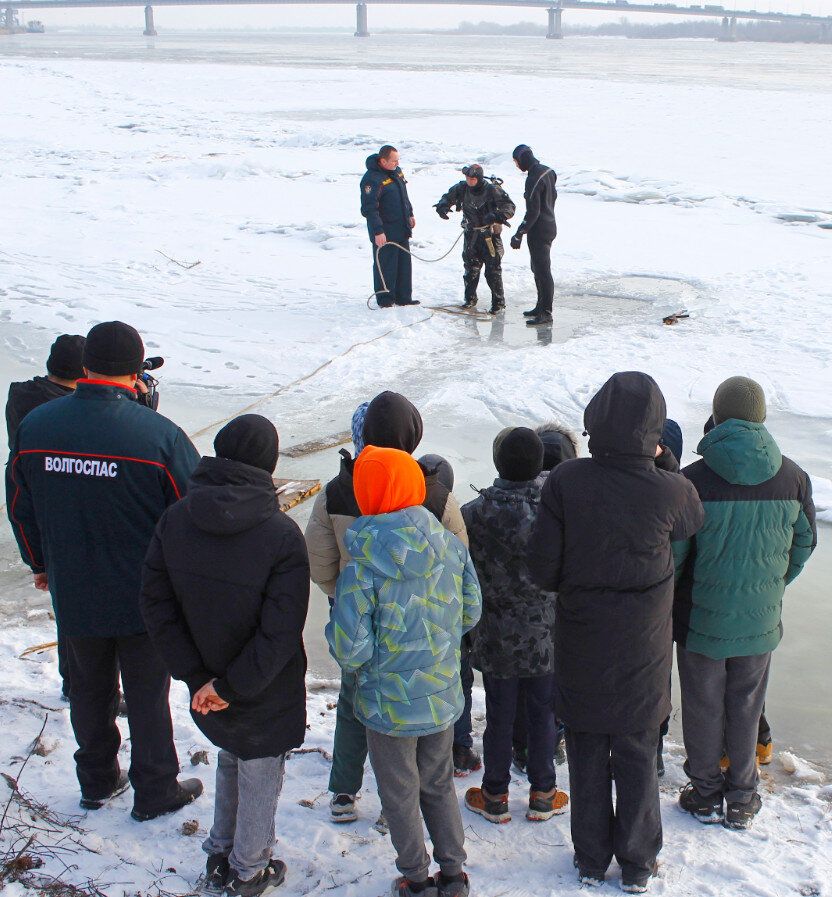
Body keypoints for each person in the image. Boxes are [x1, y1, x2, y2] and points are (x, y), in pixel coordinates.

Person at [5, 321, 203, 820]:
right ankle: (155, 787)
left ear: (85, 367)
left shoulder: (37, 426)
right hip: (143, 593)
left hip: (73, 586)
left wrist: (41, 563)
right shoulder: (160, 436)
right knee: (146, 695)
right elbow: (191, 515)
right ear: (137, 371)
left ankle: (95, 780)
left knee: (89, 689)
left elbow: (19, 504)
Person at [529, 372, 704, 893]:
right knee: (635, 753)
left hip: (582, 641)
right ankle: (636, 863)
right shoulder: (671, 489)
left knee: (585, 751)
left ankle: (589, 859)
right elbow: (692, 520)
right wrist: (663, 461)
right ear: (653, 430)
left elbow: (541, 571)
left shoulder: (566, 481)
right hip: (644, 649)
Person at [140, 414, 310, 897]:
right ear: (269, 463)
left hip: (207, 683)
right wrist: (227, 686)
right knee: (258, 766)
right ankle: (249, 868)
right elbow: (279, 633)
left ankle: (220, 851)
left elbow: (155, 603)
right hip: (261, 686)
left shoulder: (176, 517)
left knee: (232, 755)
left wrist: (197, 677)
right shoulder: (280, 534)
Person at [305, 392, 472, 824]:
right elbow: (461, 561)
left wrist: (344, 598)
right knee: (413, 714)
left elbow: (319, 560)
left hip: (354, 620)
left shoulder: (337, 493)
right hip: (421, 627)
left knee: (352, 704)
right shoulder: (435, 493)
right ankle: (399, 806)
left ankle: (344, 792)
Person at [326, 446, 482, 897]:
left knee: (399, 793)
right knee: (437, 783)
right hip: (441, 693)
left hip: (388, 703)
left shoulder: (364, 561)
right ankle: (453, 875)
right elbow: (471, 609)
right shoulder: (449, 544)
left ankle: (416, 879)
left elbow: (351, 649)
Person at [673, 377, 816, 831]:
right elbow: (804, 544)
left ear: (718, 416)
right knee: (747, 704)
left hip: (700, 620)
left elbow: (673, 558)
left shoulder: (691, 480)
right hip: (759, 620)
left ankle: (705, 792)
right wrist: (772, 584)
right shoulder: (793, 477)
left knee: (702, 703)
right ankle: (742, 796)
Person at [462, 427, 568, 825]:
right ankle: (543, 793)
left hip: (493, 636)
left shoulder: (473, 513)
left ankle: (494, 794)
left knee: (499, 714)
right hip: (545, 636)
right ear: (539, 465)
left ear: (497, 462)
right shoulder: (555, 512)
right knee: (543, 714)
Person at [5, 333, 86, 701]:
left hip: (43, 522)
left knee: (68, 610)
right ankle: (85, 687)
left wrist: (34, 558)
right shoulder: (67, 413)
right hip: (75, 520)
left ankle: (75, 684)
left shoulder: (22, 397)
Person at [513, 421, 580, 773]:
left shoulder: (514, 496)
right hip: (566, 613)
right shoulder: (579, 500)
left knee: (523, 685)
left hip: (513, 617)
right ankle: (554, 742)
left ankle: (521, 746)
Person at [434, 164, 515, 314]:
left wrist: (497, 216)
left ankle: (498, 303)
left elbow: (509, 206)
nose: (470, 181)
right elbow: (447, 197)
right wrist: (443, 206)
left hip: (489, 236)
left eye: (472, 179)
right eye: (467, 178)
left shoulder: (492, 190)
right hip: (471, 235)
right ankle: (470, 300)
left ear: (478, 178)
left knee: (493, 272)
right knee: (470, 270)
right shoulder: (462, 188)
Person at [360, 145, 418, 308]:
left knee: (403, 264)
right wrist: (378, 232)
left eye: (397, 160)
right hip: (384, 230)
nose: (396, 163)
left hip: (401, 227)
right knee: (386, 265)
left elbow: (403, 195)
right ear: (383, 160)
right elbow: (369, 209)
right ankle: (386, 300)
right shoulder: (372, 179)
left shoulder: (396, 172)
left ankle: (403, 297)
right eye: (393, 160)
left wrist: (410, 213)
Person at [509, 145, 558, 328]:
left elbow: (533, 211)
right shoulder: (548, 171)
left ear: (522, 159)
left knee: (542, 271)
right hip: (550, 224)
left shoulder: (533, 179)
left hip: (539, 230)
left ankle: (546, 312)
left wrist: (520, 232)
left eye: (516, 162)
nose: (516, 166)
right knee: (537, 268)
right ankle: (540, 306)